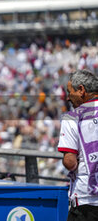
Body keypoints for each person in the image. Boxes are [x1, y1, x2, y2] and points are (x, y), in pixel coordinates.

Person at [58, 69, 98, 220]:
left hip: (86, 199)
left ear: (81, 90)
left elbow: (70, 162)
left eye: (70, 92)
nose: (68, 98)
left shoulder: (72, 118)